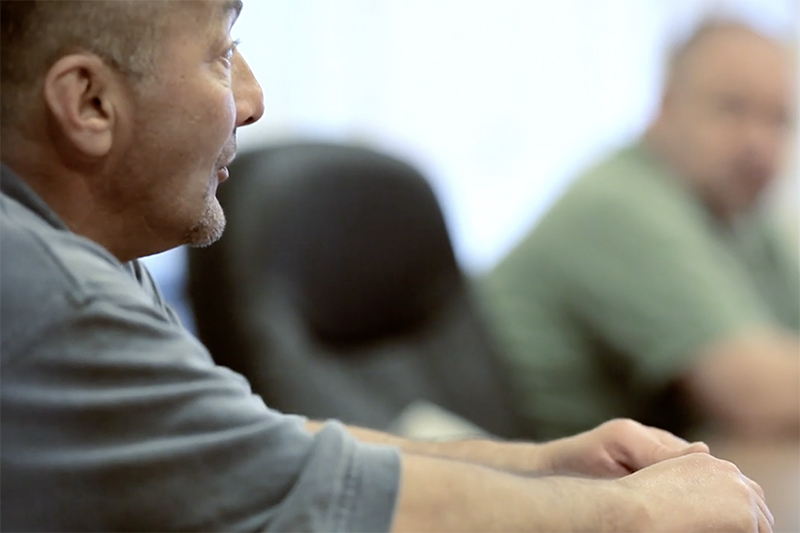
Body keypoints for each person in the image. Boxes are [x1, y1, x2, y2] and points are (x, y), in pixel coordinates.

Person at [0, 2, 773, 531]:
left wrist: (544, 466)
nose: (253, 97)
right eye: (221, 53)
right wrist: (631, 514)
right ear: (90, 103)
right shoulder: (46, 292)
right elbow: (311, 493)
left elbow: (250, 444)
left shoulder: (82, 249)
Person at [480, 19, 799, 443]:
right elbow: (755, 394)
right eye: (732, 108)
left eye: (777, 119)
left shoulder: (740, 216)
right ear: (666, 108)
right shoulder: (620, 204)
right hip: (512, 478)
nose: (758, 142)